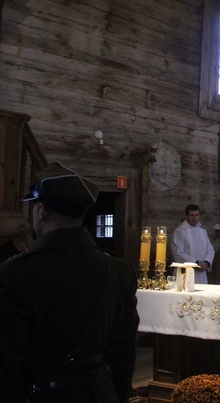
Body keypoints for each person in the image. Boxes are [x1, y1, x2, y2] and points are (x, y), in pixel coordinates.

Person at [0, 162, 139, 402]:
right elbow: (124, 353)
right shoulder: (119, 270)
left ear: (41, 211)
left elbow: (6, 364)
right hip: (99, 394)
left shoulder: (15, 274)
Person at [170, 204, 215, 284]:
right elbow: (178, 253)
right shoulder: (180, 231)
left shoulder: (202, 231)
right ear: (187, 216)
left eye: (196, 215)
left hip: (201, 273)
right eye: (191, 215)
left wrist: (206, 262)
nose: (194, 218)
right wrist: (196, 263)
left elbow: (210, 249)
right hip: (186, 271)